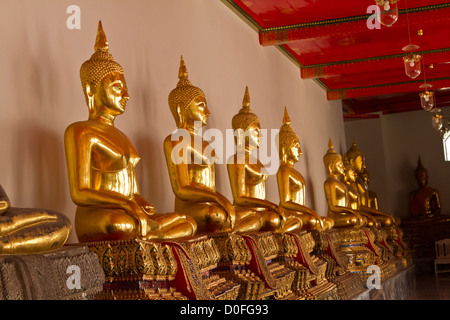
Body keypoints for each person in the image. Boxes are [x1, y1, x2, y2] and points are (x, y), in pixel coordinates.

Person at [65, 22, 196, 242]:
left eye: (125, 87)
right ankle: (151, 234)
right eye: (117, 87)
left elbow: (132, 191)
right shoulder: (81, 131)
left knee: (188, 222)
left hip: (129, 212)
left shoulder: (123, 137)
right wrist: (126, 204)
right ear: (91, 89)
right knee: (120, 224)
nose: (126, 94)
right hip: (99, 216)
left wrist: (141, 203)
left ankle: (151, 233)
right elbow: (80, 192)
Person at [164, 57, 263, 234]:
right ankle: (227, 232)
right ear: (181, 109)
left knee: (255, 217)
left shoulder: (205, 143)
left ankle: (229, 233)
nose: (207, 112)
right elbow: (181, 188)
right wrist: (219, 199)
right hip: (193, 207)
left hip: (212, 203)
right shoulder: (176, 140)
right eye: (201, 106)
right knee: (214, 214)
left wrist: (219, 200)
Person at [227, 88, 302, 233]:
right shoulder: (236, 159)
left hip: (261, 212)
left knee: (283, 220)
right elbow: (240, 198)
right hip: (244, 211)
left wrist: (270, 207)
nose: (261, 135)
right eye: (256, 131)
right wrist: (271, 206)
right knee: (267, 219)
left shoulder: (257, 162)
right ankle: (230, 233)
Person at [276, 107, 333, 230]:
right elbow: (285, 202)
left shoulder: (294, 172)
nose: (300, 152)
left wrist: (308, 211)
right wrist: (309, 211)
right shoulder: (283, 171)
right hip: (291, 214)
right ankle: (281, 232)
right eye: (296, 147)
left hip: (301, 214)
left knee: (329, 221)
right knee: (312, 221)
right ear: (286, 147)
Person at [0, 184, 71, 254]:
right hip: (5, 223)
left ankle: (5, 245)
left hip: (7, 217)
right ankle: (5, 245)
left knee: (61, 222)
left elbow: (4, 203)